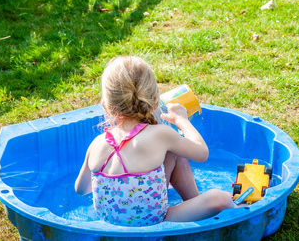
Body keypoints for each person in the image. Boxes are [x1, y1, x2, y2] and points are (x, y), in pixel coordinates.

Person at [75, 56, 234, 227]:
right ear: (155, 99)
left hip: (111, 225)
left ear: (105, 106)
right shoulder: (161, 135)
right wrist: (181, 120)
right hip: (154, 223)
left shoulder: (97, 143)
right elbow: (202, 153)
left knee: (172, 152)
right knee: (221, 198)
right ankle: (199, 206)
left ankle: (195, 203)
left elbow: (81, 189)